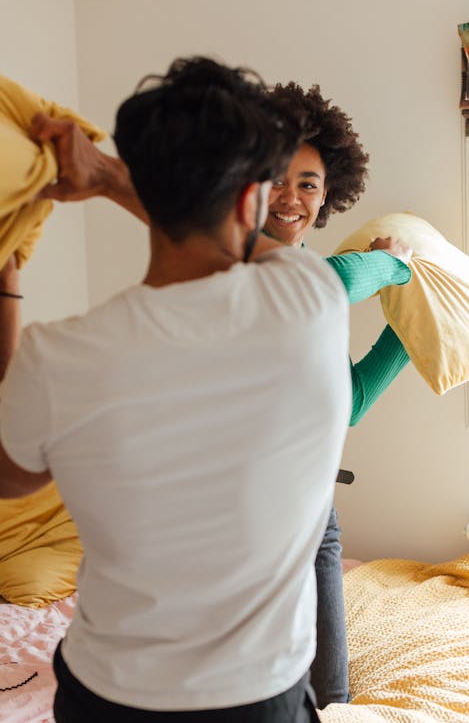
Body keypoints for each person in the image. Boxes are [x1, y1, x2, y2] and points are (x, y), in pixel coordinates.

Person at [0, 57, 352, 723]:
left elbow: (10, 478)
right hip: (262, 699)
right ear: (254, 199)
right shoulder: (313, 301)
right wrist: (106, 178)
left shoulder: (57, 357)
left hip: (111, 697)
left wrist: (7, 277)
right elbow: (245, 245)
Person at [264, 82, 412, 708]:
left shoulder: (313, 280)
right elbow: (342, 277)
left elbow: (345, 397)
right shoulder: (242, 263)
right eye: (275, 176)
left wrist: (409, 334)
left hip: (312, 498)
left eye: (308, 183)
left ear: (327, 197)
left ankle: (333, 703)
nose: (291, 197)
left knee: (331, 689)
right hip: (253, 499)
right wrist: (397, 266)